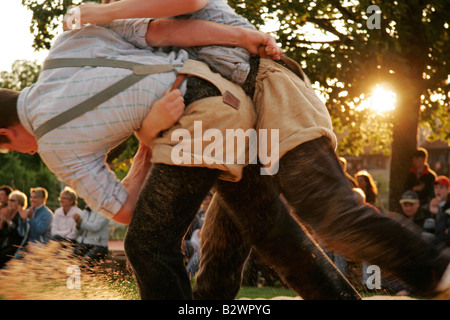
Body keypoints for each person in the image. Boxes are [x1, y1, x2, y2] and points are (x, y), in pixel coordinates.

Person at [73, 0, 450, 300]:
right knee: (235, 242)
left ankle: (436, 272)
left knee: (328, 213)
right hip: (234, 122)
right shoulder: (128, 58)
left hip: (270, 92)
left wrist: (101, 12)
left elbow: (185, 8)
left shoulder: (126, 18)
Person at [0, 190, 27, 267]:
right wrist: (2, 221)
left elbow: (18, 234)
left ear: (20, 203)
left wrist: (9, 221)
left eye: (12, 200)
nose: (9, 202)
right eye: (9, 200)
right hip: (5, 244)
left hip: (15, 246)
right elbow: (2, 234)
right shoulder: (7, 213)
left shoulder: (21, 216)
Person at [422, 176, 450, 249]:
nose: (438, 190)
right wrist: (429, 208)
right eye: (436, 187)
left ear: (448, 189)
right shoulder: (426, 206)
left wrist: (439, 212)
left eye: (441, 187)